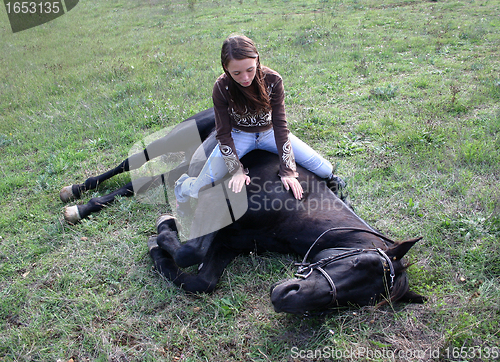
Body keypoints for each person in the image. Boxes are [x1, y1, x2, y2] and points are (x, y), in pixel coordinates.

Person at [174, 35, 345, 214]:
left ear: (257, 59)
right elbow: (223, 133)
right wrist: (236, 170)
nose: (245, 78)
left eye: (250, 69)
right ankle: (181, 187)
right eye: (237, 73)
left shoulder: (273, 80)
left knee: (325, 169)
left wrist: (288, 170)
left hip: (269, 132)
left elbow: (280, 125)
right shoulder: (221, 87)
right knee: (200, 187)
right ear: (226, 68)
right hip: (238, 136)